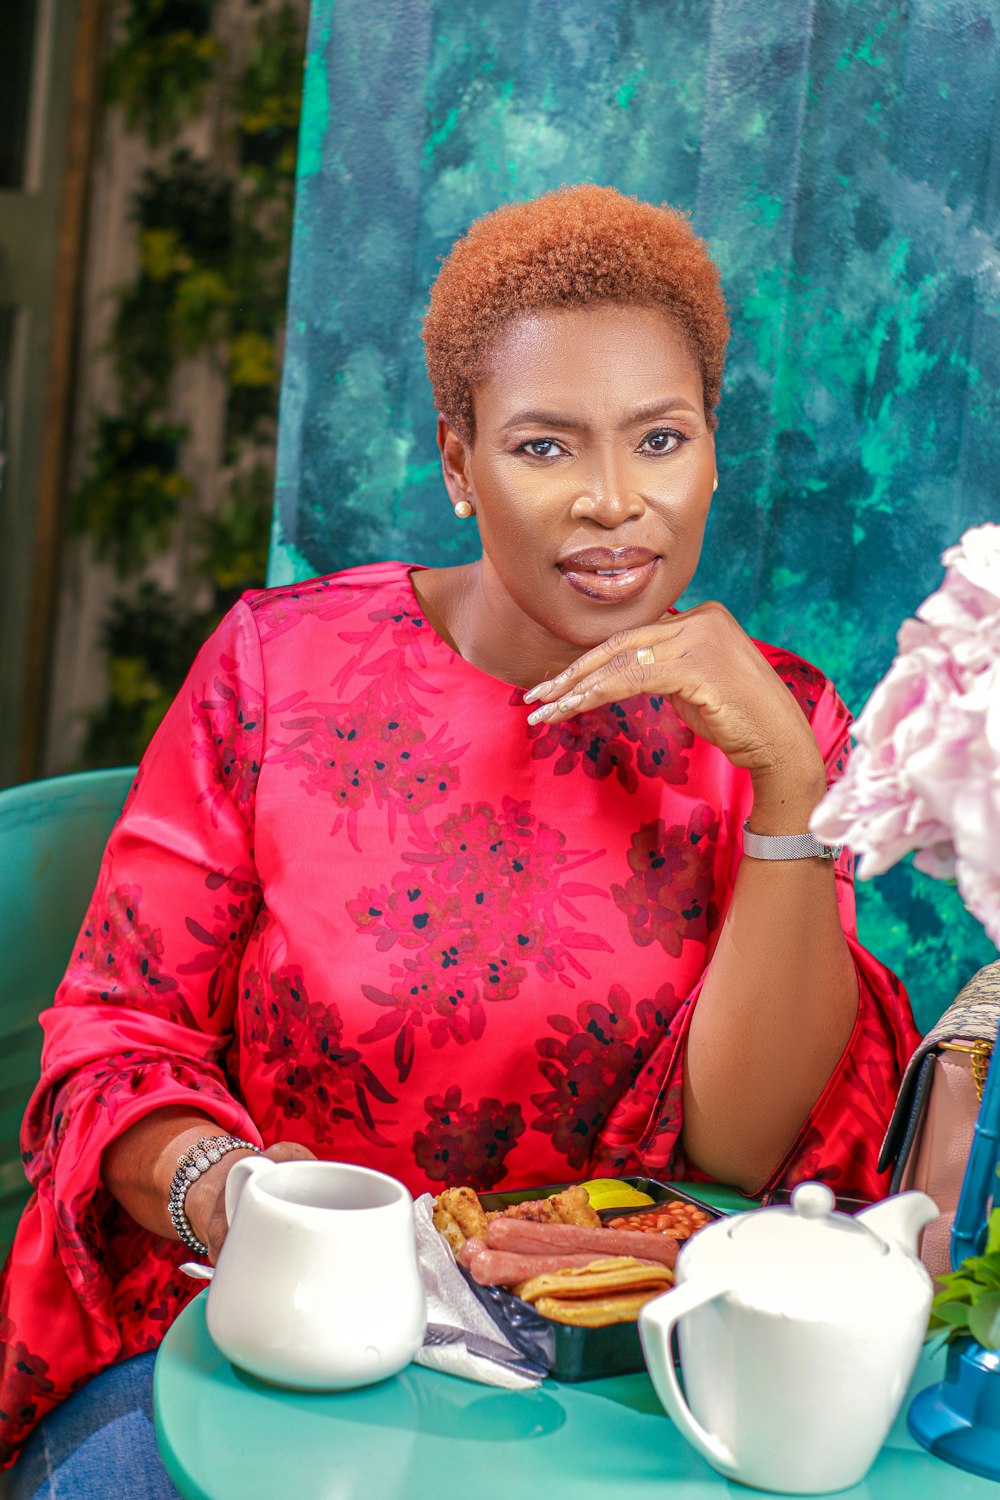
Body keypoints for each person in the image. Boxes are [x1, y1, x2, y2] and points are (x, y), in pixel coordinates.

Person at [0, 184, 919, 1492]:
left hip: (600, 1411)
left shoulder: (784, 721)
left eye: (659, 440)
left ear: (713, 449)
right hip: (248, 1353)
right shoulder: (281, 665)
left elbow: (736, 1160)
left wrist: (784, 784)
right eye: (546, 447)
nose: (614, 501)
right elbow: (114, 1036)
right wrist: (232, 1196)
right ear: (457, 462)